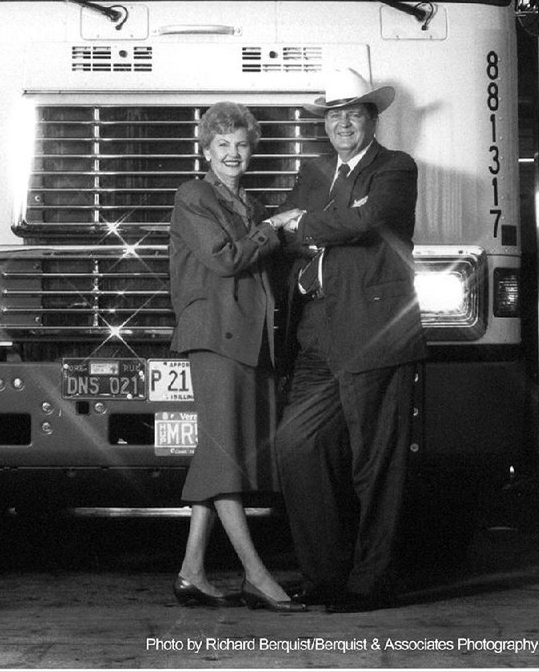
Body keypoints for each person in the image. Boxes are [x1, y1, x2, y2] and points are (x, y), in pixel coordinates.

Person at [275, 69, 427, 613]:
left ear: (372, 118)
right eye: (333, 114)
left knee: (375, 465)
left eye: (353, 112)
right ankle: (324, 577)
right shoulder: (314, 173)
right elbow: (293, 234)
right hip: (317, 334)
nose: (341, 122)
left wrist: (305, 224)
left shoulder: (395, 168)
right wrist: (309, 223)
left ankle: (371, 582)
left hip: (374, 333)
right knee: (298, 447)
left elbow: (365, 221)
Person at [168, 101, 305, 612]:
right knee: (225, 454)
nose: (233, 153)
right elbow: (225, 259)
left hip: (245, 339)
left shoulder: (244, 203)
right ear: (205, 150)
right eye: (222, 145)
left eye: (242, 145)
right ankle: (257, 575)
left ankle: (192, 571)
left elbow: (260, 257)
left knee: (219, 451)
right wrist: (275, 228)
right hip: (216, 338)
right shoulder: (195, 196)